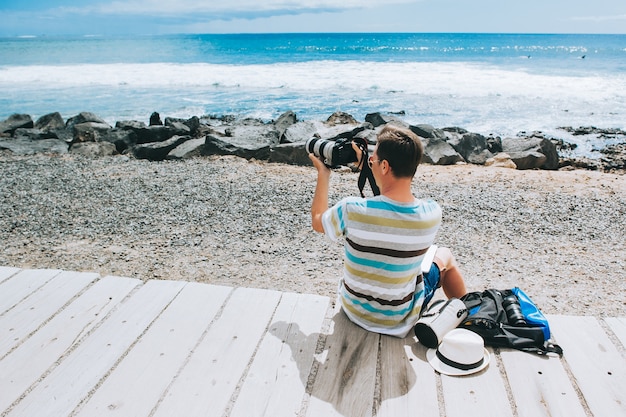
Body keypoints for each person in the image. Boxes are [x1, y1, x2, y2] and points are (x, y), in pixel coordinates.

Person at [309, 124, 467, 338]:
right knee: (444, 255)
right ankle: (468, 317)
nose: (370, 160)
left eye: (374, 156)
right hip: (399, 317)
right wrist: (373, 165)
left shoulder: (351, 210)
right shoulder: (432, 213)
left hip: (355, 311)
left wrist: (323, 173)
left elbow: (318, 221)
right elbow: (396, 209)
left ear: (384, 166)